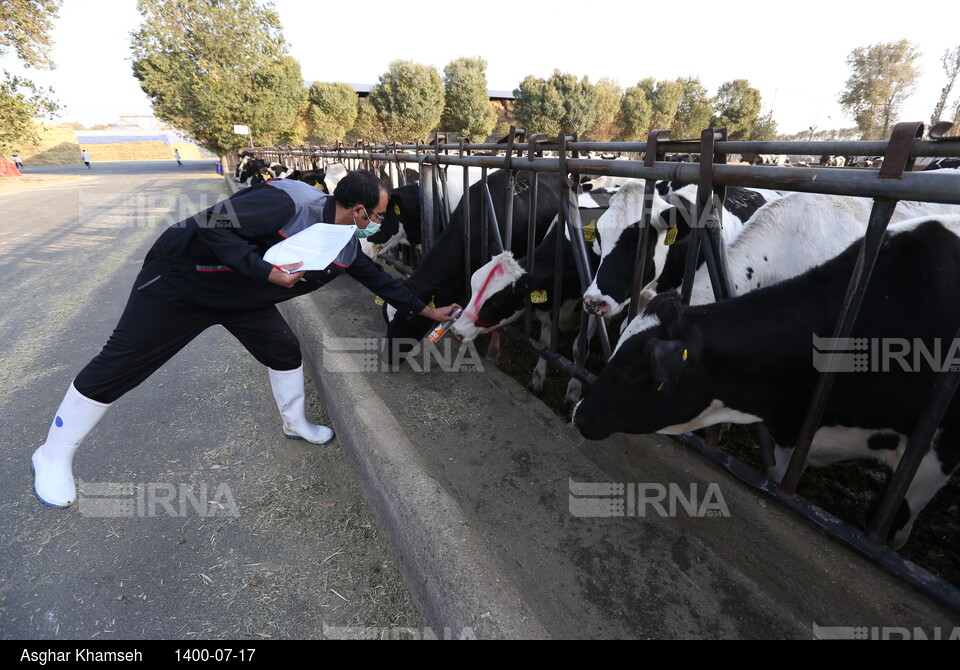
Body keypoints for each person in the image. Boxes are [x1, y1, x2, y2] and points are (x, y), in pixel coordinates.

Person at [30, 169, 460, 508]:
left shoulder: (345, 244)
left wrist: (427, 311)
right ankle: (52, 456)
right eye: (380, 215)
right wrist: (265, 272)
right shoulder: (285, 202)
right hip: (181, 284)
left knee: (284, 350)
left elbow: (381, 282)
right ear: (359, 210)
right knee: (118, 367)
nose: (381, 224)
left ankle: (295, 423)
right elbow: (209, 224)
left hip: (242, 299)